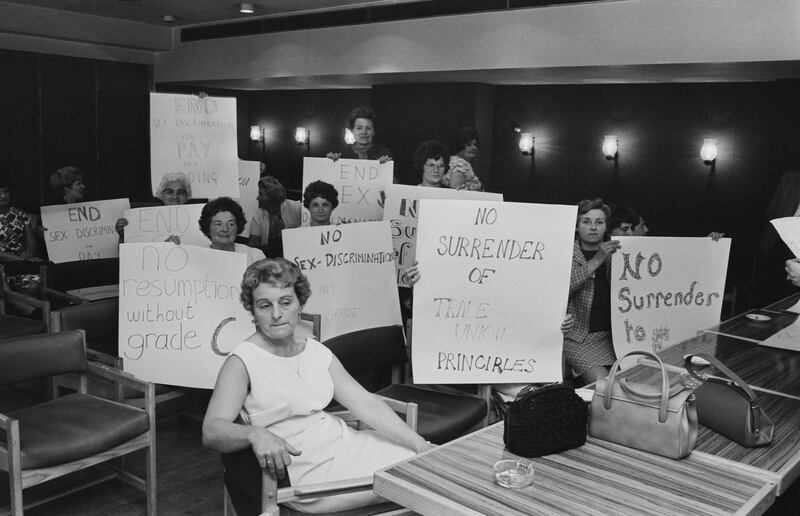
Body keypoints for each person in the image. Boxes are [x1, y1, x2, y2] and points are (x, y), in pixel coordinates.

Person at [202, 258, 429, 514]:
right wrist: (254, 434)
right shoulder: (242, 361)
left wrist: (419, 443)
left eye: (285, 302)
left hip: (342, 444)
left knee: (423, 463)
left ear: (300, 303)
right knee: (416, 478)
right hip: (306, 471)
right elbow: (212, 431)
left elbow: (365, 403)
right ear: (252, 311)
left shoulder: (317, 351)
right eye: (265, 305)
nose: (277, 314)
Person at [564, 198, 621, 386]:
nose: (593, 227)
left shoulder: (619, 252)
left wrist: (712, 243)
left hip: (615, 338)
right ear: (576, 227)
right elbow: (563, 289)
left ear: (606, 227)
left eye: (599, 222)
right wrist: (598, 259)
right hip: (577, 338)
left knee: (634, 383)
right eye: (586, 221)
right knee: (606, 387)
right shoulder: (564, 252)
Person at [0, 174, 42, 314]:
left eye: (6, 191)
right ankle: (33, 314)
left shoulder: (20, 214)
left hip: (20, 263)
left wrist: (28, 253)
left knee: (36, 281)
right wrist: (21, 259)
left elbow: (31, 243)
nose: (3, 196)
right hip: (4, 262)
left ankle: (23, 313)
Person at [116, 172, 193, 240]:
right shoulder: (144, 221)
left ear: (187, 196)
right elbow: (129, 253)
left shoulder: (196, 220)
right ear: (162, 196)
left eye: (180, 192)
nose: (175, 197)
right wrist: (124, 235)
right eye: (170, 192)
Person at [199, 197, 265, 265]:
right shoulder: (197, 257)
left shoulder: (255, 256)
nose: (225, 229)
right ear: (208, 227)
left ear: (237, 226)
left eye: (231, 224)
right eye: (218, 224)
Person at [248, 176, 301, 256]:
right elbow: (253, 246)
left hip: (294, 252)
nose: (257, 198)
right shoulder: (258, 216)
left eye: (261, 194)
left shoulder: (296, 207)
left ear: (272, 196)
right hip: (268, 255)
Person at [327, 107, 392, 163]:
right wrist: (330, 164)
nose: (364, 132)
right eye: (359, 128)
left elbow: (394, 177)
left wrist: (386, 167)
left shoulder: (384, 153)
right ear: (352, 130)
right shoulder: (340, 153)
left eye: (368, 128)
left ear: (374, 131)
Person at [444, 127, 483, 191]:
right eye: (469, 144)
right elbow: (454, 194)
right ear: (460, 145)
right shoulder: (460, 164)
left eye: (475, 144)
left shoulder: (454, 160)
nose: (474, 147)